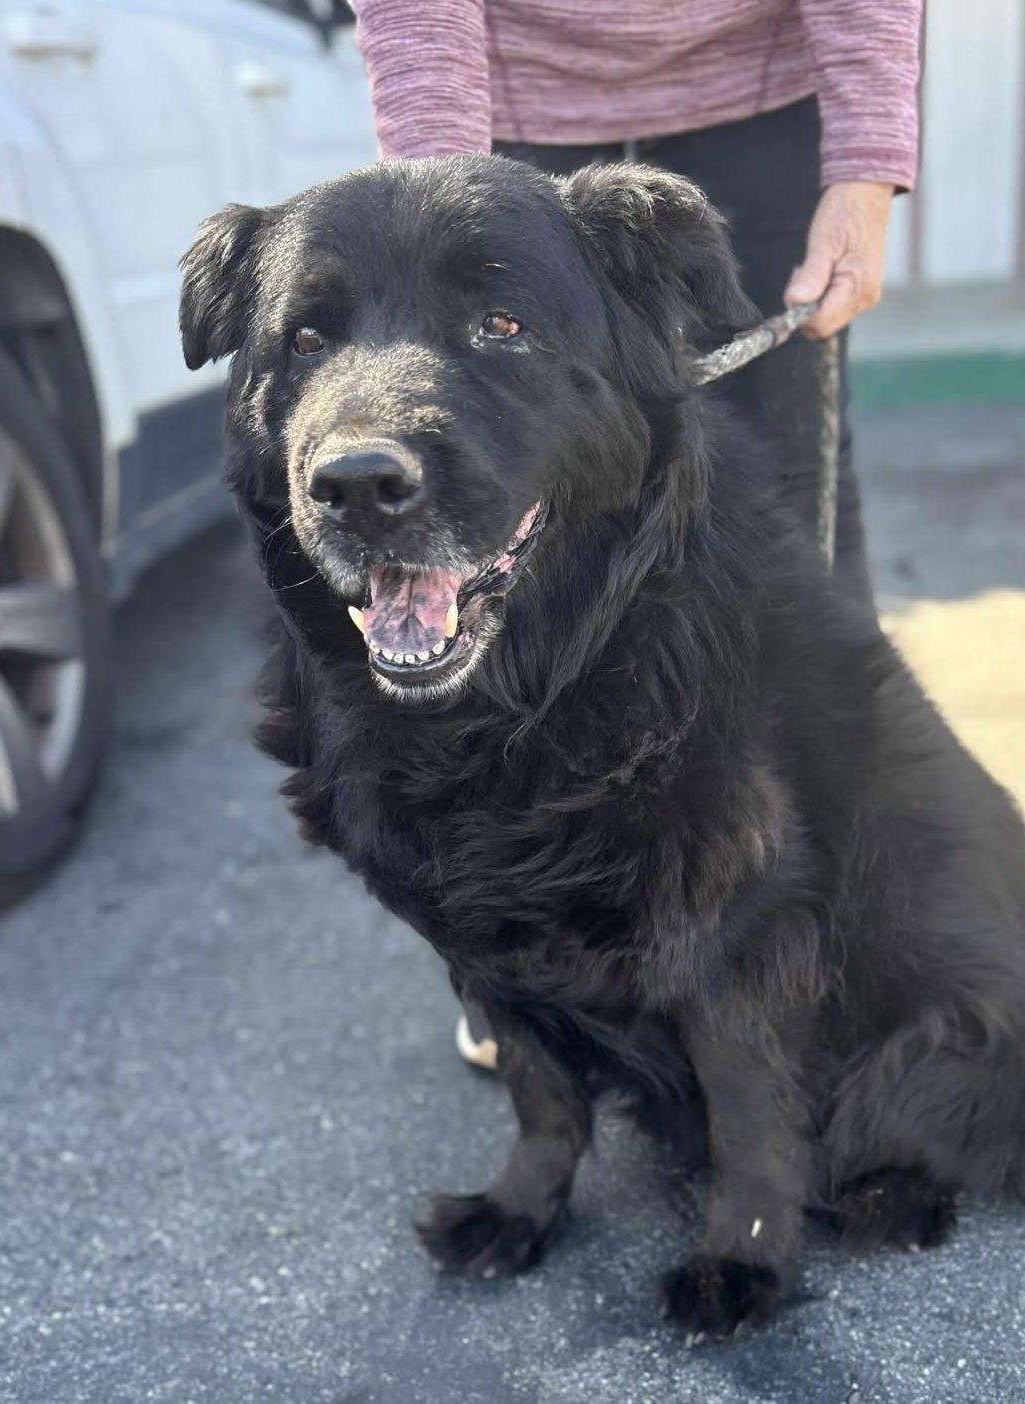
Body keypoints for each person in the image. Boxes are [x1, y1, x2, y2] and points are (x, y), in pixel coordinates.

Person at [347, 0, 923, 1068]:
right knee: (471, 535)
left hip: (763, 89)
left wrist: (864, 163)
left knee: (788, 523)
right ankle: (518, 952)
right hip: (506, 92)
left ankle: (834, 907)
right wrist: (440, 216)